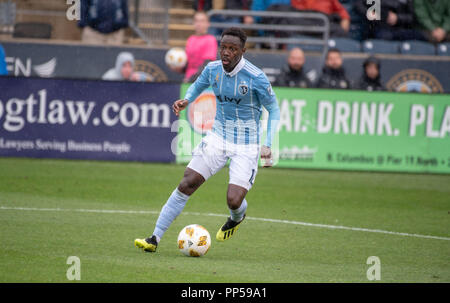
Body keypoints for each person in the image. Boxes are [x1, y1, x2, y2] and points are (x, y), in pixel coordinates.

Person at [134, 28, 280, 252]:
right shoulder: (212, 69)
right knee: (187, 183)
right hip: (218, 137)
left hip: (246, 144)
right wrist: (187, 100)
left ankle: (237, 216)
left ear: (243, 50)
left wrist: (268, 144)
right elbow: (198, 85)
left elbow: (274, 109)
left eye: (233, 49)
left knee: (233, 200)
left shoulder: (256, 77)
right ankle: (154, 238)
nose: (227, 52)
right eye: (224, 47)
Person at [353, 0, 425, 41]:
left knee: (419, 37)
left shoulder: (405, 2)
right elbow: (359, 5)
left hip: (401, 28)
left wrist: (398, 18)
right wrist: (370, 13)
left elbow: (413, 17)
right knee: (383, 37)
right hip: (380, 28)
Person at [184, 11, 218, 82]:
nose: (199, 24)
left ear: (208, 24)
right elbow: (188, 64)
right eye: (196, 21)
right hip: (187, 80)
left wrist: (191, 79)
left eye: (202, 21)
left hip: (202, 83)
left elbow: (207, 65)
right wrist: (178, 67)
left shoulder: (210, 40)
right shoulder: (191, 39)